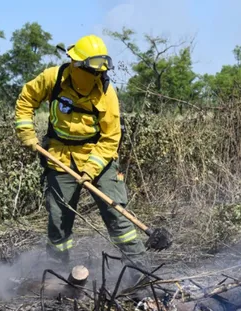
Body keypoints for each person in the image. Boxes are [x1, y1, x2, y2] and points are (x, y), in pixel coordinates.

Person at [13, 34, 144, 264]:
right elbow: (27, 99)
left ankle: (139, 271)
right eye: (92, 71)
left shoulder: (106, 92)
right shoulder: (52, 78)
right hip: (59, 157)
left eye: (100, 72)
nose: (97, 76)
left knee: (117, 215)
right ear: (75, 64)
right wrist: (26, 132)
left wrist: (91, 169)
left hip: (99, 159)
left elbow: (111, 137)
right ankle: (57, 275)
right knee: (59, 221)